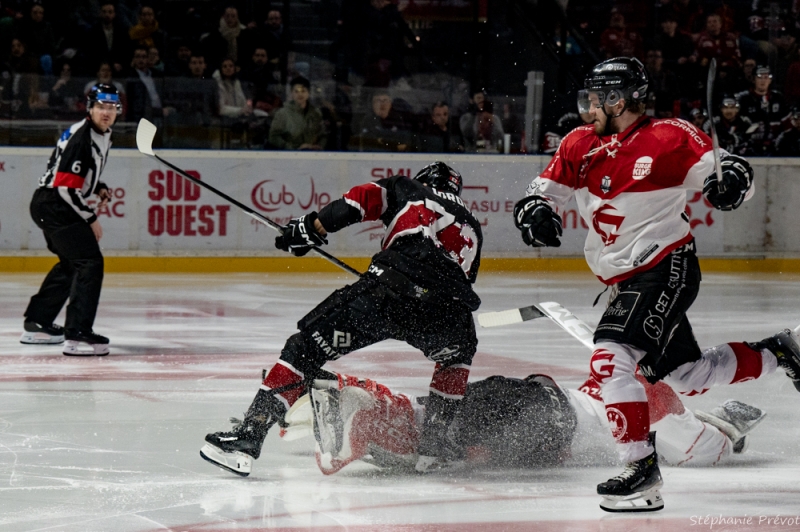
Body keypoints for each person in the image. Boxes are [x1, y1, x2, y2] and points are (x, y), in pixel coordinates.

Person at [512, 56, 800, 512]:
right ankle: (780, 350)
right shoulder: (579, 142)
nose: (588, 104)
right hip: (623, 278)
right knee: (688, 374)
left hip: (665, 266)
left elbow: (730, 170)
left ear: (618, 98)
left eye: (597, 95)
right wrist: (535, 212)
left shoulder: (669, 137)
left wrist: (729, 187)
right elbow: (541, 191)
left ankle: (640, 470)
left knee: (611, 357)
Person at [200, 162, 483, 476]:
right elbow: (454, 276)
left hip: (391, 292)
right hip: (451, 314)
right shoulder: (473, 225)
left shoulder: (411, 189)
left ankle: (249, 437)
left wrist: (311, 228)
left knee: (305, 348)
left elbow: (359, 201)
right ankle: (436, 446)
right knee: (455, 357)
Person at [284, 367, 766, 475]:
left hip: (555, 423)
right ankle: (381, 425)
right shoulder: (625, 371)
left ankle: (379, 419)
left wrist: (722, 426)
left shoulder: (657, 396)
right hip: (549, 412)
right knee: (475, 407)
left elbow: (697, 449)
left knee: (478, 410)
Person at [20, 84, 121, 356]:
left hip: (49, 203)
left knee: (72, 262)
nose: (106, 112)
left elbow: (76, 174)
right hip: (54, 205)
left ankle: (37, 323)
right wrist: (91, 218)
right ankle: (77, 333)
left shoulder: (100, 134)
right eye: (101, 106)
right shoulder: (83, 137)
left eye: (111, 108)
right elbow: (64, 188)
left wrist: (97, 185)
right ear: (90, 108)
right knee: (89, 261)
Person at [736, 66, 789, 155]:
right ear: (753, 79)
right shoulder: (743, 99)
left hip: (774, 145)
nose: (763, 81)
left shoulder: (778, 98)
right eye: (760, 77)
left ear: (770, 80)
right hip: (749, 146)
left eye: (766, 77)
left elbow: (786, 124)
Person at [268, 75, 325, 150]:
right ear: (292, 93)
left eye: (303, 91)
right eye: (296, 91)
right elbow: (273, 137)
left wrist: (319, 147)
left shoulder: (316, 113)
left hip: (312, 155)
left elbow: (323, 134)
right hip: (290, 156)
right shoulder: (282, 113)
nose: (300, 94)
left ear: (309, 93)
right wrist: (292, 148)